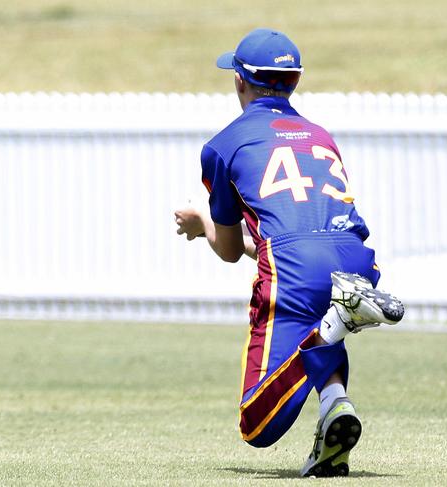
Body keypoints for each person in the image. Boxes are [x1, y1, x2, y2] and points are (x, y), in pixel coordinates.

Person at [174, 28, 404, 477]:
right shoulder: (320, 135)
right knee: (333, 306)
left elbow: (227, 249)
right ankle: (334, 408)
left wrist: (202, 224)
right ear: (294, 82)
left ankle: (333, 324)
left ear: (239, 81)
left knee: (255, 424)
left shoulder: (222, 145)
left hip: (294, 268)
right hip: (356, 258)